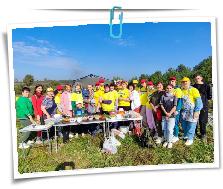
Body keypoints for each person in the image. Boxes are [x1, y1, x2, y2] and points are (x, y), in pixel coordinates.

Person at [181, 77, 203, 146]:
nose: (184, 83)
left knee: (191, 124)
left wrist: (197, 111)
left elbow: (199, 101)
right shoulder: (181, 90)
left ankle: (190, 139)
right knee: (184, 124)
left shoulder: (194, 90)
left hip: (193, 110)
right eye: (183, 82)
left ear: (189, 82)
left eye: (186, 81)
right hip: (184, 111)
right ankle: (186, 135)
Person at [193, 74, 212, 142]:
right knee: (194, 120)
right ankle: (194, 133)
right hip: (195, 106)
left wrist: (204, 103)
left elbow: (209, 96)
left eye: (198, 78)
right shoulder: (193, 86)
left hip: (204, 106)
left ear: (201, 78)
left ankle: (203, 134)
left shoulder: (207, 86)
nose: (196, 80)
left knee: (202, 121)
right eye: (195, 79)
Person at [160, 84, 177, 148]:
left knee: (170, 129)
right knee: (164, 128)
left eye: (170, 88)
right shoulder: (163, 96)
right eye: (167, 88)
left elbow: (175, 107)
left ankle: (170, 142)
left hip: (171, 115)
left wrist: (169, 113)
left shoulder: (174, 96)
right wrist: (166, 113)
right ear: (165, 89)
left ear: (172, 89)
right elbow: (161, 105)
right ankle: (166, 140)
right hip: (164, 115)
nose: (169, 89)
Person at [168, 76, 183, 143]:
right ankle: (172, 134)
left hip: (175, 110)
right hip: (170, 109)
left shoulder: (178, 90)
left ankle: (176, 136)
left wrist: (177, 110)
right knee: (171, 123)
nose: (171, 82)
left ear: (175, 82)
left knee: (175, 123)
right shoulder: (170, 89)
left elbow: (179, 101)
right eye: (170, 81)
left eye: (173, 81)